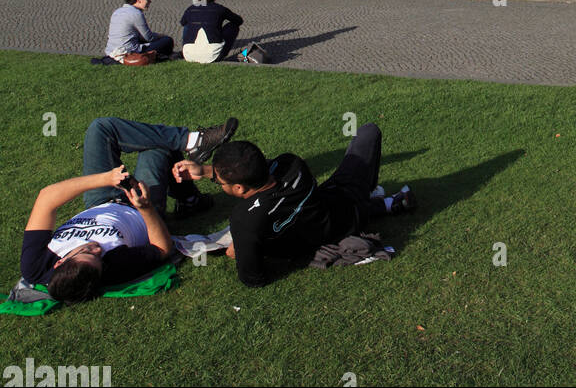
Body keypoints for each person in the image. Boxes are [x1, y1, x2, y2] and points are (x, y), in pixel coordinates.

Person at [20, 115, 238, 303]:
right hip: (137, 208)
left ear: (60, 261)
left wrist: (105, 179)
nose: (96, 248)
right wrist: (145, 207)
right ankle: (190, 197)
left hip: (100, 200)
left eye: (86, 251)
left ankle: (193, 144)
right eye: (98, 257)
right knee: (157, 146)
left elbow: (46, 198)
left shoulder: (36, 265)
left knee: (101, 128)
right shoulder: (112, 268)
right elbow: (162, 248)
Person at [170, 122, 414, 288]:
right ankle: (386, 204)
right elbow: (258, 168)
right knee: (369, 131)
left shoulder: (246, 220)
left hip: (331, 231)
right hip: (343, 201)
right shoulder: (291, 164)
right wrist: (208, 171)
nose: (219, 184)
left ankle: (385, 205)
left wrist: (239, 251)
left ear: (239, 189)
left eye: (221, 182)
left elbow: (254, 279)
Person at [103, 0, 174, 61]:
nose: (150, 1)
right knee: (167, 40)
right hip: (128, 52)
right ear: (138, 0)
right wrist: (160, 35)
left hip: (110, 50)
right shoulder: (136, 13)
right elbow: (149, 37)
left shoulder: (117, 11)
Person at [180, 0, 244, 63]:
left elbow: (182, 22)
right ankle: (220, 51)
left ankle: (189, 49)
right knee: (233, 26)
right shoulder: (219, 9)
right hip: (212, 56)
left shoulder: (190, 9)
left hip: (188, 56)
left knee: (187, 25)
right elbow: (238, 21)